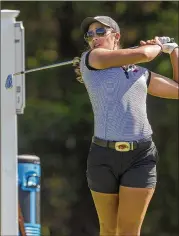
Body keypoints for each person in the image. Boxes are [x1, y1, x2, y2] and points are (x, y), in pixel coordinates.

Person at [74, 16, 178, 236]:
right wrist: (158, 45)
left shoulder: (140, 73)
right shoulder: (91, 58)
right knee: (109, 230)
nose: (94, 38)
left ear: (116, 36)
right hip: (103, 157)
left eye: (100, 32)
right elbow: (143, 54)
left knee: (129, 232)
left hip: (140, 157)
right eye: (89, 35)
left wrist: (174, 51)